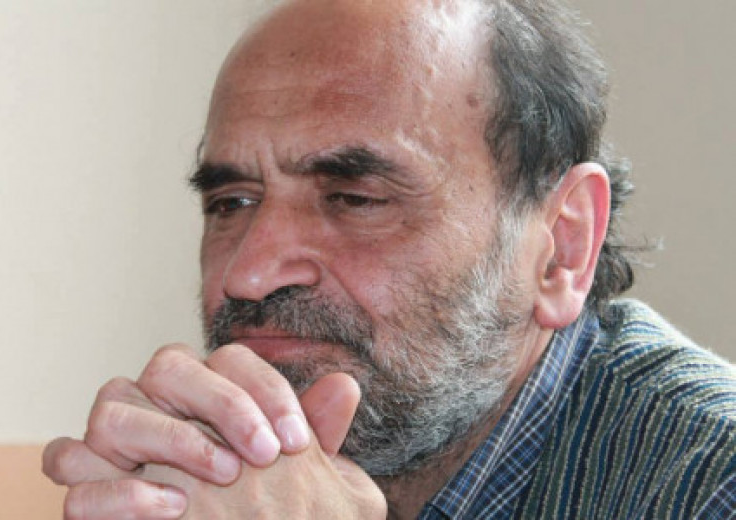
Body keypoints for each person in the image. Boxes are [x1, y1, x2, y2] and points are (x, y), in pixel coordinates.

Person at [42, 0, 736, 518]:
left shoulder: (713, 484)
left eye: (354, 198)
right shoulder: (214, 488)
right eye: (231, 202)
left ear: (561, 249)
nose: (248, 275)